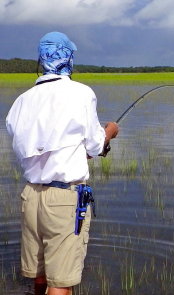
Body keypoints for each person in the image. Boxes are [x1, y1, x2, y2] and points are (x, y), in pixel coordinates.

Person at [5, 32, 119, 295]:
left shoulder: (21, 101)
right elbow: (94, 146)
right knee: (61, 284)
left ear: (41, 60)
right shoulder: (81, 93)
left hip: (31, 196)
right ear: (68, 58)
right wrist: (110, 131)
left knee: (40, 276)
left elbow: (33, 148)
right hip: (65, 200)